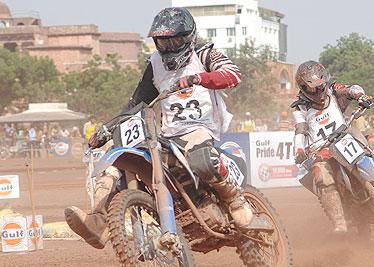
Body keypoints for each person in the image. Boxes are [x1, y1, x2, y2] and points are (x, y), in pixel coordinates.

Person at [65, 7, 270, 249]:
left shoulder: (205, 55)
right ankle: (98, 221)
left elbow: (233, 75)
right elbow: (137, 102)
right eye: (163, 42)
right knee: (114, 161)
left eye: (176, 40)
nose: (170, 47)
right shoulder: (154, 65)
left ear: (189, 37)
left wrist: (200, 78)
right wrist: (107, 128)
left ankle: (236, 201)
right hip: (167, 134)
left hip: (200, 129)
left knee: (202, 160)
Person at [291, 61, 373, 233]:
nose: (319, 91)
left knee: (373, 144)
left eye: (320, 85)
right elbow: (300, 129)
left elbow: (351, 88)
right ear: (304, 88)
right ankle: (340, 223)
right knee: (321, 176)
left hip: (346, 137)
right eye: (313, 88)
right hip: (323, 151)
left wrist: (360, 96)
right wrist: (299, 150)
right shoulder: (300, 107)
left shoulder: (332, 90)